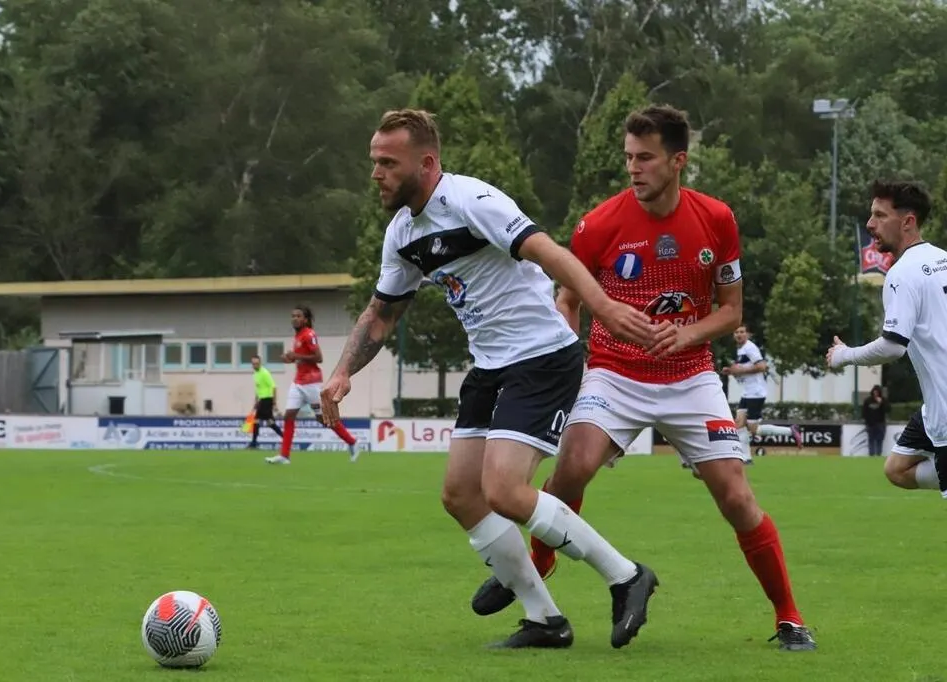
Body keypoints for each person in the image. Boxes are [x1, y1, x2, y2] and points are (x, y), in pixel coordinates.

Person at [470, 105, 816, 651]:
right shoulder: (598, 224)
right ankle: (536, 569)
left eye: (646, 158)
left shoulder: (717, 219)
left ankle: (790, 619)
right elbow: (568, 300)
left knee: (735, 496)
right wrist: (571, 364)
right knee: (571, 470)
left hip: (691, 375)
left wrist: (688, 333)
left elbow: (731, 310)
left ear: (678, 161)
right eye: (629, 157)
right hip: (614, 373)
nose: (633, 168)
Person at [319, 108, 662, 649]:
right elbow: (381, 313)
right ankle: (545, 620)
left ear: (426, 163)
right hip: (490, 367)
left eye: (388, 162)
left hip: (542, 357)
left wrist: (604, 308)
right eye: (374, 162)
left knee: (503, 489)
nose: (376, 173)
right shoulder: (402, 232)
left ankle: (626, 575)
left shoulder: (472, 200)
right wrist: (341, 373)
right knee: (461, 494)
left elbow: (549, 252)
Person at [827, 179, 947, 497]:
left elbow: (893, 346)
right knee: (896, 468)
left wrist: (844, 356)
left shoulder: (902, 273)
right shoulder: (942, 258)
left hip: (946, 410)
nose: (870, 224)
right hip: (935, 408)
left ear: (908, 222)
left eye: (880, 215)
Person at [265, 306, 359, 464]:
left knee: (323, 418)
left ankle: (352, 442)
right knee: (289, 416)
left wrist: (296, 355)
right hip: (298, 382)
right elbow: (303, 358)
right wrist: (291, 358)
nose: (294, 318)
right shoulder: (298, 336)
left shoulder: (309, 334)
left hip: (311, 383)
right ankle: (284, 456)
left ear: (306, 319)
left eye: (298, 316)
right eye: (293, 316)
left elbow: (318, 357)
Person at [722, 324, 803, 457]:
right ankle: (745, 458)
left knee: (754, 429)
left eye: (742, 332)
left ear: (748, 334)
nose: (739, 334)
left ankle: (790, 431)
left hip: (756, 392)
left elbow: (762, 366)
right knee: (739, 424)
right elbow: (745, 368)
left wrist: (740, 370)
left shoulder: (750, 348)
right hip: (747, 392)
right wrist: (731, 371)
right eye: (736, 332)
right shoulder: (741, 349)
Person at [247, 354, 283, 448]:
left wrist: (274, 403)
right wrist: (256, 401)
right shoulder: (255, 374)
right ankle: (285, 438)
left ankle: (254, 443)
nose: (255, 365)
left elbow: (274, 387)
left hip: (267, 399)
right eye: (253, 364)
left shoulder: (265, 373)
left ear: (260, 363)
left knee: (257, 420)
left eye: (257, 363)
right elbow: (258, 388)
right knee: (270, 423)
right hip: (262, 400)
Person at [861, 385, 889, 457]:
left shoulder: (883, 400)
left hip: (880, 423)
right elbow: (864, 412)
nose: (875, 393)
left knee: (879, 440)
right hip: (870, 424)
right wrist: (867, 421)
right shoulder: (868, 400)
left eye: (877, 392)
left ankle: (879, 454)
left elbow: (888, 410)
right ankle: (871, 454)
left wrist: (881, 403)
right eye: (874, 392)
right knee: (871, 440)